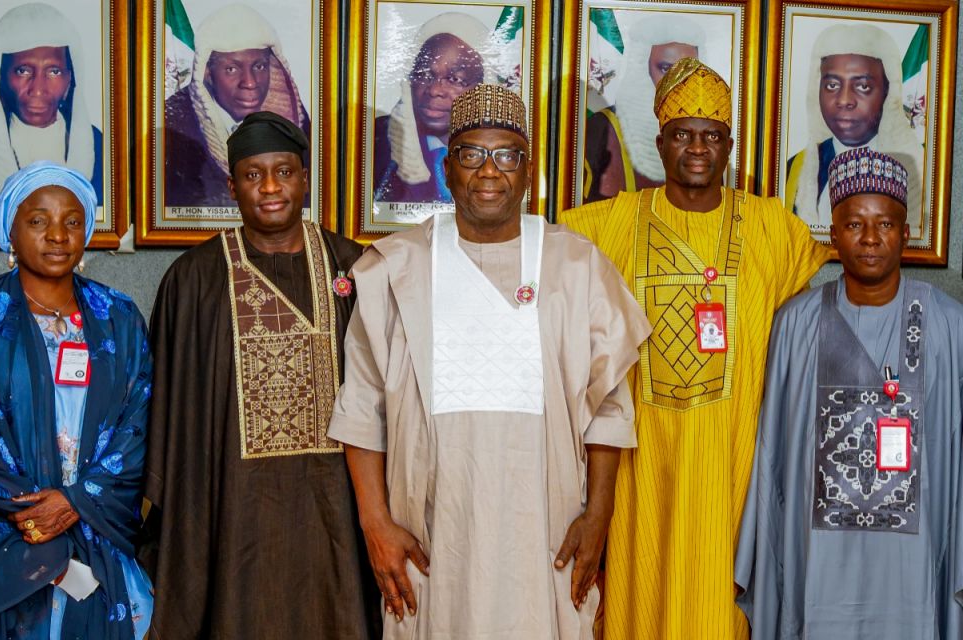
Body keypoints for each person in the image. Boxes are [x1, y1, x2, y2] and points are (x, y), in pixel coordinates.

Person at [330, 83, 651, 639]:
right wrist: (375, 523)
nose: (489, 172)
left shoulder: (577, 265)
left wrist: (598, 516)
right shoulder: (394, 269)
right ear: (448, 168)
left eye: (506, 156)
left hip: (547, 537)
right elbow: (362, 408)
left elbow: (611, 410)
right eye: (472, 154)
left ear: (528, 172)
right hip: (431, 541)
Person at [560, 58, 829, 640]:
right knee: (642, 604)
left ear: (730, 144)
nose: (698, 147)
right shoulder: (603, 228)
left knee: (726, 609)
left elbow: (807, 335)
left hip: (738, 466)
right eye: (683, 133)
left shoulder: (773, 229)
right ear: (659, 142)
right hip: (639, 470)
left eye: (712, 135)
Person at [141, 111, 377, 639]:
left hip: (335, 514)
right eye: (253, 175)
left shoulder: (356, 267)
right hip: (230, 516)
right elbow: (170, 418)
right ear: (232, 186)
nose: (270, 188)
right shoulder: (194, 279)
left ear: (304, 178)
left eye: (284, 172)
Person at [736, 148, 963, 638]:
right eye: (855, 224)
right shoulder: (796, 324)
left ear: (905, 232)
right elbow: (772, 452)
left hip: (914, 567)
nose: (871, 239)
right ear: (833, 233)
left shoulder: (949, 324)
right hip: (818, 564)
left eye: (885, 224)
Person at [0, 162, 152, 638]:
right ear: (10, 232)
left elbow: (140, 420)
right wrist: (32, 507)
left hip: (93, 524)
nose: (58, 235)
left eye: (72, 222)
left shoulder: (118, 316)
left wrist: (77, 500)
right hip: (2, 528)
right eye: (38, 221)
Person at [0, 4, 103, 208]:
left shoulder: (102, 150)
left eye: (54, 71)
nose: (38, 89)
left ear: (70, 79)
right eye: (23, 71)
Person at [164, 3, 310, 207]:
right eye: (232, 69)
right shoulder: (173, 122)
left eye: (259, 66)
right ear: (207, 73)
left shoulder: (292, 120)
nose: (250, 83)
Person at [786, 23, 923, 231]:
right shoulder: (796, 169)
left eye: (863, 86)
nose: (844, 100)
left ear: (888, 91)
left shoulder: (917, 171)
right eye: (832, 85)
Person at [584, 13, 705, 202]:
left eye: (688, 70)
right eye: (666, 69)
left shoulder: (709, 135)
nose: (678, 81)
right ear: (643, 68)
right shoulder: (603, 127)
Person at [373, 12, 488, 204]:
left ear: (482, 87)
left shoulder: (502, 153)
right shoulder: (376, 144)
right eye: (424, 74)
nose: (435, 90)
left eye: (455, 79)